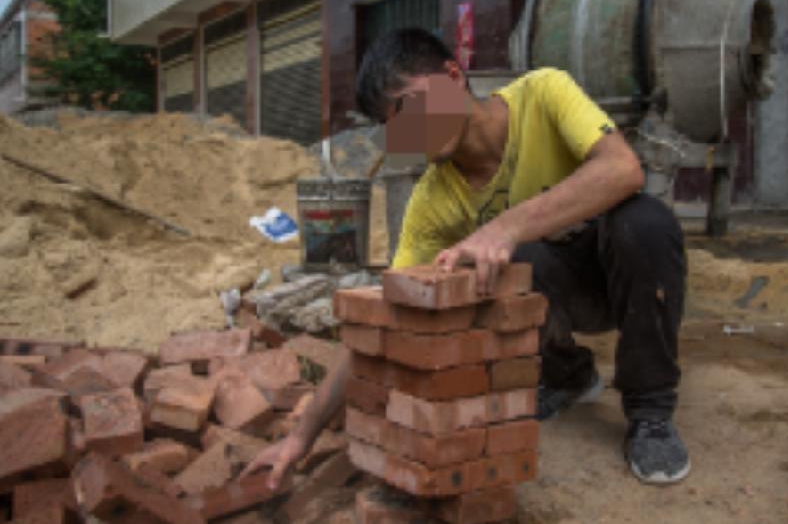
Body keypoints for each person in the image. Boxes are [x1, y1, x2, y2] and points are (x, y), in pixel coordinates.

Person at [243, 28, 690, 488]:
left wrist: (505, 227)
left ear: (453, 76)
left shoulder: (544, 93)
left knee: (645, 222)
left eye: (409, 107)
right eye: (390, 124)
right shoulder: (432, 199)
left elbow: (622, 168)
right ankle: (567, 375)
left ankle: (650, 409)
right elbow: (385, 315)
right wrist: (302, 436)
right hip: (559, 293)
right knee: (501, 268)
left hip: (625, 276)